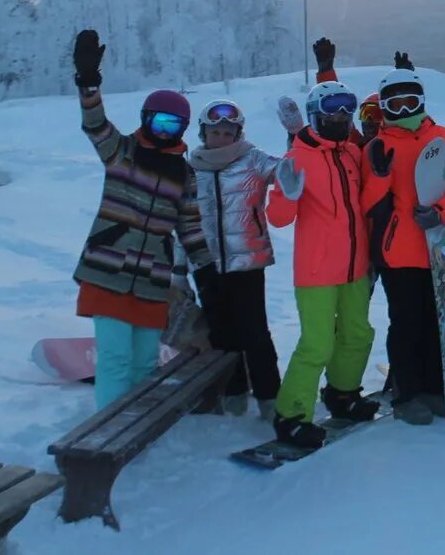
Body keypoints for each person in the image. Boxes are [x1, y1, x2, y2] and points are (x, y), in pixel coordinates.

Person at [69, 29, 216, 409]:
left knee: (145, 363)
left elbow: (190, 227)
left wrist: (208, 271)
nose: (165, 132)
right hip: (108, 272)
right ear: (146, 119)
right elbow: (95, 124)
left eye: (174, 126)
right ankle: (107, 434)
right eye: (159, 123)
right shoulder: (121, 152)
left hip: (151, 280)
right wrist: (89, 84)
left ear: (183, 129)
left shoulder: (183, 173)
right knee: (116, 361)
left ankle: (133, 428)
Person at [266, 81, 380, 447]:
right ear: (316, 113)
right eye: (333, 107)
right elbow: (279, 219)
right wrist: (286, 192)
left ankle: (342, 394)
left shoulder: (351, 152)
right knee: (316, 344)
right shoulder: (296, 159)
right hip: (316, 271)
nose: (342, 115)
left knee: (358, 334)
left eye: (348, 107)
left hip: (355, 266)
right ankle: (291, 415)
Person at [362, 66, 445, 425]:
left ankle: (434, 388)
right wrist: (380, 175)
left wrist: (442, 212)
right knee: (407, 323)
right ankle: (406, 394)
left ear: (422, 101)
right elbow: (367, 202)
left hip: (440, 251)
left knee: (435, 322)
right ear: (384, 106)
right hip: (399, 252)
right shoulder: (379, 145)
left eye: (409, 101)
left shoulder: (443, 138)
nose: (402, 110)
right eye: (393, 104)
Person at [189, 98, 300, 420]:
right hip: (207, 264)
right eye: (215, 132)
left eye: (228, 132)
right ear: (203, 132)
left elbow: (288, 172)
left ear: (237, 133)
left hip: (247, 262)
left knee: (254, 332)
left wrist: (295, 136)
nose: (221, 138)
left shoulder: (252, 159)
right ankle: (234, 391)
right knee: (221, 335)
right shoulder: (192, 167)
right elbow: (185, 221)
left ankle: (268, 396)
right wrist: (182, 267)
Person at [311, 36, 416, 145]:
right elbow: (336, 100)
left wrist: (404, 85)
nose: (368, 122)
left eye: (375, 114)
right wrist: (325, 70)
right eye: (365, 114)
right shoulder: (354, 146)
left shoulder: (398, 145)